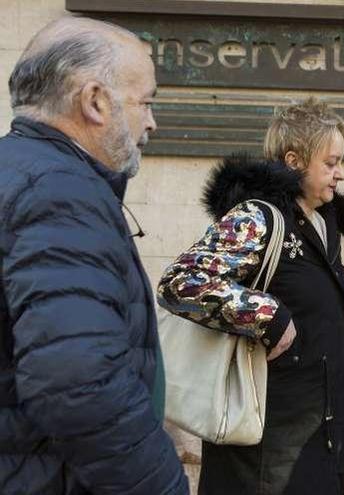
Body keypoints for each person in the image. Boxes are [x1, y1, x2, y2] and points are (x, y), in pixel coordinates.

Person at [0, 16, 189, 494]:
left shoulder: (20, 173)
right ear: (95, 101)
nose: (151, 122)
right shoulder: (59, 192)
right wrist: (162, 486)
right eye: (145, 102)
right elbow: (77, 383)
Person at [157, 98, 344, 494]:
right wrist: (267, 316)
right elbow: (181, 282)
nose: (340, 174)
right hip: (266, 443)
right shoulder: (256, 217)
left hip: (322, 433)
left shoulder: (321, 219)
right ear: (294, 161)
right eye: (330, 163)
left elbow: (305, 285)